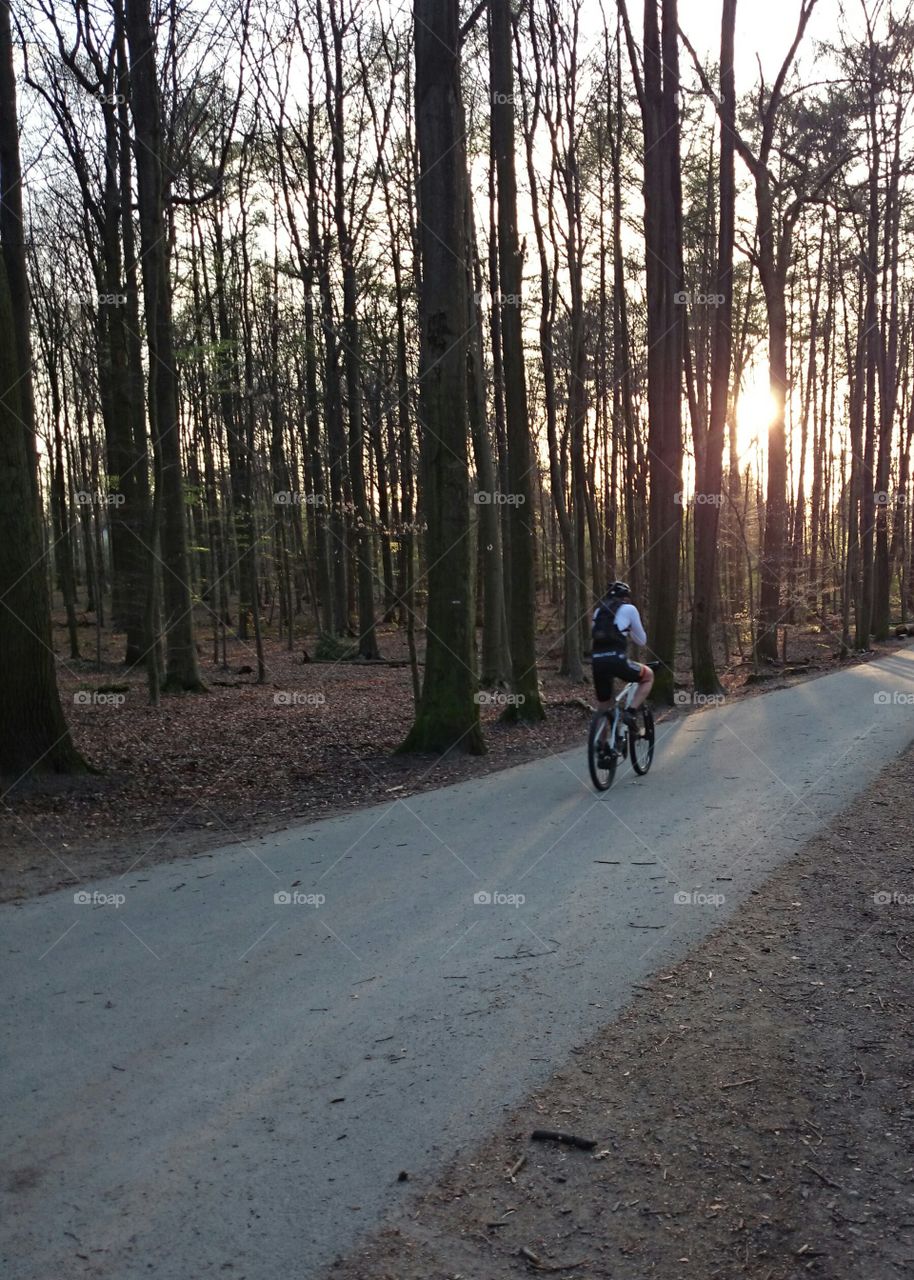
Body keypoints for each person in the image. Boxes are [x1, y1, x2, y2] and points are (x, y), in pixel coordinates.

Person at [591, 581, 653, 735]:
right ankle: (630, 713)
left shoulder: (598, 612)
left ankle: (601, 748)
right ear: (626, 597)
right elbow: (641, 640)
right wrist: (630, 629)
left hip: (597, 661)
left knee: (604, 704)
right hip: (617, 660)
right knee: (649, 676)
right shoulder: (629, 609)